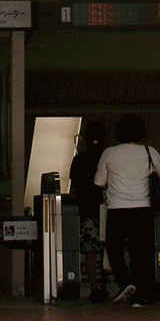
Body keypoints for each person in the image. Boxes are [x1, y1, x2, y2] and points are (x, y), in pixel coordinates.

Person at [94, 113, 160, 308]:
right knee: (140, 253)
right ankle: (139, 297)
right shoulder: (149, 151)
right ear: (140, 132)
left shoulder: (110, 153)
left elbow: (99, 183)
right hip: (143, 210)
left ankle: (125, 282)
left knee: (113, 248)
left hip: (117, 209)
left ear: (119, 132)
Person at [68, 121, 109, 302]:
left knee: (89, 251)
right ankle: (105, 286)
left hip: (87, 210)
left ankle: (94, 288)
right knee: (108, 250)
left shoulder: (79, 159)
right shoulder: (108, 157)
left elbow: (75, 186)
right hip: (108, 209)